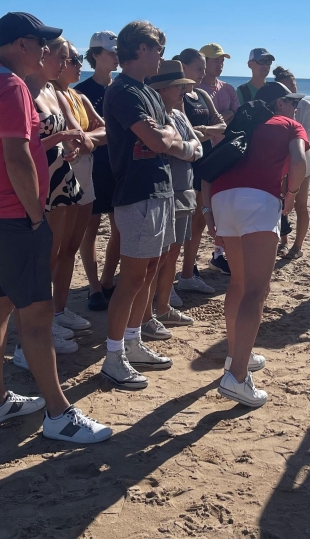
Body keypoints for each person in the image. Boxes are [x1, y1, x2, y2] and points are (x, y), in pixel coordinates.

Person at [0, 11, 111, 442]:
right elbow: (15, 158)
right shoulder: (12, 86)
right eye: (41, 42)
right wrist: (35, 216)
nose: (48, 50)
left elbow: (6, 146)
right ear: (20, 45)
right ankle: (58, 413)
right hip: (14, 217)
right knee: (36, 315)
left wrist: (48, 142)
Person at [202, 81, 308, 407]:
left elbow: (212, 167)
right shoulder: (290, 124)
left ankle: (237, 356)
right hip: (257, 200)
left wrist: (208, 212)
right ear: (279, 104)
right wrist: (290, 196)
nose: (295, 107)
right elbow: (300, 163)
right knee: (257, 290)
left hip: (222, 199)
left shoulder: (242, 123)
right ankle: (235, 377)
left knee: (239, 282)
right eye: (291, 101)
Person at [101, 21, 185, 389]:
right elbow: (157, 137)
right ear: (137, 49)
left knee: (150, 269)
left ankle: (133, 342)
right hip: (137, 193)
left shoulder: (147, 91)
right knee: (132, 276)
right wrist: (165, 139)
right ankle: (113, 356)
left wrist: (166, 139)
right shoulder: (123, 91)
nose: (161, 55)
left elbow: (172, 136)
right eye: (156, 48)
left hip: (160, 189)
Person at [24, 35, 85, 358]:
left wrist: (69, 145)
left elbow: (70, 132)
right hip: (42, 184)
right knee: (44, 258)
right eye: (60, 57)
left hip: (62, 179)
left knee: (60, 252)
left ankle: (52, 317)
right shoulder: (25, 90)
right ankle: (35, 331)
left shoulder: (51, 89)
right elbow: (23, 148)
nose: (64, 64)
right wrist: (62, 137)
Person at [143, 59, 203, 328]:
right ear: (164, 88)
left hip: (184, 193)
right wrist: (182, 148)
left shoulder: (178, 115)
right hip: (164, 193)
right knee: (158, 257)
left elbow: (197, 147)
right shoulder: (153, 117)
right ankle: (149, 312)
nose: (182, 92)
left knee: (174, 252)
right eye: (178, 86)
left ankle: (164, 306)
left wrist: (182, 148)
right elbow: (163, 146)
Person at [52, 41, 107, 331]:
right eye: (73, 59)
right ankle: (47, 316)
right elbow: (76, 133)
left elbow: (103, 128)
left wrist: (89, 139)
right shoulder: (52, 93)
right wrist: (88, 138)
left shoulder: (78, 95)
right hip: (62, 175)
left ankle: (59, 310)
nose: (77, 64)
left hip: (84, 173)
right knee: (55, 249)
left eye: (76, 59)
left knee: (71, 247)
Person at [173, 49, 226, 295]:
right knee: (179, 222)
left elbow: (222, 125)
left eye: (204, 68)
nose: (203, 73)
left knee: (198, 222)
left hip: (203, 161)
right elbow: (182, 130)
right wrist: (206, 132)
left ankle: (187, 273)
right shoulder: (178, 94)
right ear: (182, 67)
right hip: (184, 162)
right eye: (198, 68)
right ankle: (169, 278)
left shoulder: (202, 93)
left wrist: (203, 129)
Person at [75, 31, 120, 311]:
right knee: (89, 229)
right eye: (111, 51)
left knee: (120, 229)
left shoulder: (124, 88)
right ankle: (93, 287)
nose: (117, 56)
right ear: (96, 55)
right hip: (92, 167)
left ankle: (106, 281)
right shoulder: (81, 92)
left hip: (118, 168)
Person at [199, 42, 240, 275]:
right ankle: (192, 262)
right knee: (200, 208)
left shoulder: (227, 89)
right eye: (216, 60)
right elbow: (210, 123)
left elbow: (235, 117)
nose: (220, 64)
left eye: (222, 60)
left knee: (221, 203)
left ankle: (218, 252)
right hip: (203, 152)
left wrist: (218, 122)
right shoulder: (196, 89)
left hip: (224, 153)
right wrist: (219, 122)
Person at [273, 67, 310, 259]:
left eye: (294, 86)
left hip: (302, 158)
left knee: (301, 204)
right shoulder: (278, 105)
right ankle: (283, 242)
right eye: (289, 88)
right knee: (281, 202)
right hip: (281, 160)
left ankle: (297, 246)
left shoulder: (305, 106)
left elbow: (309, 134)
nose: (293, 91)